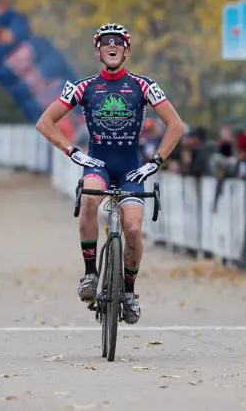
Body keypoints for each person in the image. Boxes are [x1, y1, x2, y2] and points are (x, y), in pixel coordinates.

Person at [35, 23, 185, 324]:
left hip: (132, 168)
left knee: (131, 229)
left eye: (118, 42)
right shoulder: (83, 87)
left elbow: (176, 125)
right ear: (98, 51)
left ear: (126, 50)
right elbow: (45, 122)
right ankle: (90, 275)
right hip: (98, 163)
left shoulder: (143, 85)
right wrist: (73, 152)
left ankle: (129, 291)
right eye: (106, 43)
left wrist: (155, 161)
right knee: (89, 199)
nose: (112, 46)